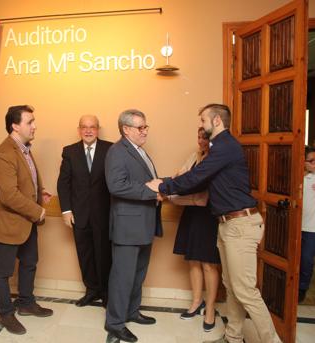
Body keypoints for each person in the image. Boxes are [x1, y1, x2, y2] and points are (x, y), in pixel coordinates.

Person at [148, 103, 281, 343]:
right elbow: (199, 180)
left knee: (246, 292)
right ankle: (233, 336)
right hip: (227, 224)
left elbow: (197, 177)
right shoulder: (217, 147)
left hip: (241, 225)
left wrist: (163, 186)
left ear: (217, 121)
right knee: (231, 287)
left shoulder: (225, 146)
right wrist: (167, 183)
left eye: (202, 120)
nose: (200, 125)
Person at [0, 105, 53, 336]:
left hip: (26, 222)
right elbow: (9, 195)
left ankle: (26, 303)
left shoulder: (23, 148)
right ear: (15, 125)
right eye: (30, 121)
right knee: (3, 272)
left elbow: (26, 179)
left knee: (29, 263)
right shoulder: (5, 153)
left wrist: (39, 192)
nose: (34, 126)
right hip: (8, 223)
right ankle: (5, 313)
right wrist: (37, 210)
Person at [104, 109, 163, 343]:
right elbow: (117, 186)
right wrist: (151, 191)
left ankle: (131, 312)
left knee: (138, 274)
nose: (145, 131)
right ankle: (115, 323)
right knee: (123, 277)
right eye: (141, 127)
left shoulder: (140, 150)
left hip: (144, 224)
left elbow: (148, 182)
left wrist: (161, 186)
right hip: (127, 228)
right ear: (126, 129)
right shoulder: (117, 152)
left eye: (146, 126)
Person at [57, 115, 112, 307]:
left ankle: (106, 293)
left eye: (92, 127)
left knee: (104, 255)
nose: (88, 131)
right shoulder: (70, 152)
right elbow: (63, 184)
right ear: (79, 129)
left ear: (98, 129)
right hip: (79, 215)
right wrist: (66, 211)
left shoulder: (111, 149)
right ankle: (91, 290)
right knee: (85, 255)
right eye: (84, 127)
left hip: (105, 215)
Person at [170, 128, 220, 332]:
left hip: (208, 215)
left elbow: (199, 188)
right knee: (192, 260)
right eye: (198, 137)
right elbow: (179, 178)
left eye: (205, 138)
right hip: (191, 212)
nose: (201, 141)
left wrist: (178, 187)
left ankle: (210, 308)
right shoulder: (194, 156)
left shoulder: (216, 159)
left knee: (208, 264)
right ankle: (196, 301)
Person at [299, 146, 315, 303]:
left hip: (312, 229)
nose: (314, 164)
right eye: (311, 161)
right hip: (298, 226)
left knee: (307, 259)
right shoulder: (299, 179)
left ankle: (302, 288)